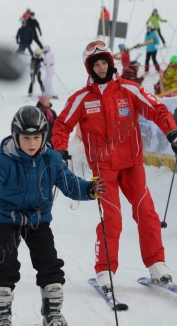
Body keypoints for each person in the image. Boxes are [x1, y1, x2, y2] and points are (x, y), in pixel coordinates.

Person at [0, 105, 106, 326]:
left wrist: (89, 189)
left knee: (49, 262)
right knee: (6, 264)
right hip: (6, 219)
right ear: (15, 136)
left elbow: (69, 183)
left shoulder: (51, 159)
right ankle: (1, 316)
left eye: (37, 137)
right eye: (26, 137)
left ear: (44, 137)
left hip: (38, 219)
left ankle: (52, 314)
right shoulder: (5, 161)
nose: (32, 143)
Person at [51, 39, 177, 296]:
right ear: (89, 67)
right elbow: (61, 125)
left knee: (147, 213)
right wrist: (59, 148)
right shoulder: (82, 98)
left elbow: (157, 109)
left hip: (132, 164)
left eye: (103, 62)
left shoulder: (130, 89)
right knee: (112, 218)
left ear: (110, 62)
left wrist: (172, 133)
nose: (100, 67)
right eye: (95, 63)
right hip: (103, 168)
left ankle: (156, 264)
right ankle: (105, 270)